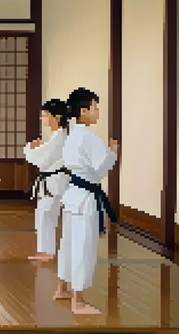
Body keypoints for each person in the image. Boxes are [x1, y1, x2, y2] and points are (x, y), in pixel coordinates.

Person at [54, 87, 118, 315]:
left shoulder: (72, 135)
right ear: (84, 110)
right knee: (83, 246)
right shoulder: (89, 137)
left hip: (73, 196)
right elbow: (101, 169)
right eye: (95, 107)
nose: (97, 112)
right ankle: (78, 300)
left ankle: (62, 288)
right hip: (86, 198)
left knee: (69, 243)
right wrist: (112, 152)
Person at [24, 99, 69, 261]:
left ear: (57, 118)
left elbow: (40, 159)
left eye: (44, 115)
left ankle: (47, 251)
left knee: (46, 214)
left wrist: (31, 148)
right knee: (45, 214)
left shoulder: (60, 138)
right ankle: (46, 250)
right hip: (52, 181)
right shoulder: (58, 137)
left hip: (55, 182)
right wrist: (37, 148)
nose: (41, 118)